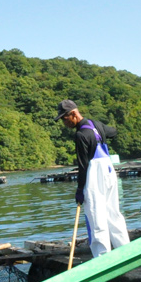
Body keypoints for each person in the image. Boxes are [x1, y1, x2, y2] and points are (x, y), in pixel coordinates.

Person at [55, 100, 129, 258]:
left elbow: (83, 166)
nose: (64, 122)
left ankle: (102, 258)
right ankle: (126, 251)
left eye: (64, 118)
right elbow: (113, 131)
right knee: (113, 213)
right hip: (109, 170)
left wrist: (80, 190)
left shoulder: (81, 135)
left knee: (96, 218)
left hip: (94, 174)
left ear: (74, 114)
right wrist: (100, 135)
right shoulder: (96, 124)